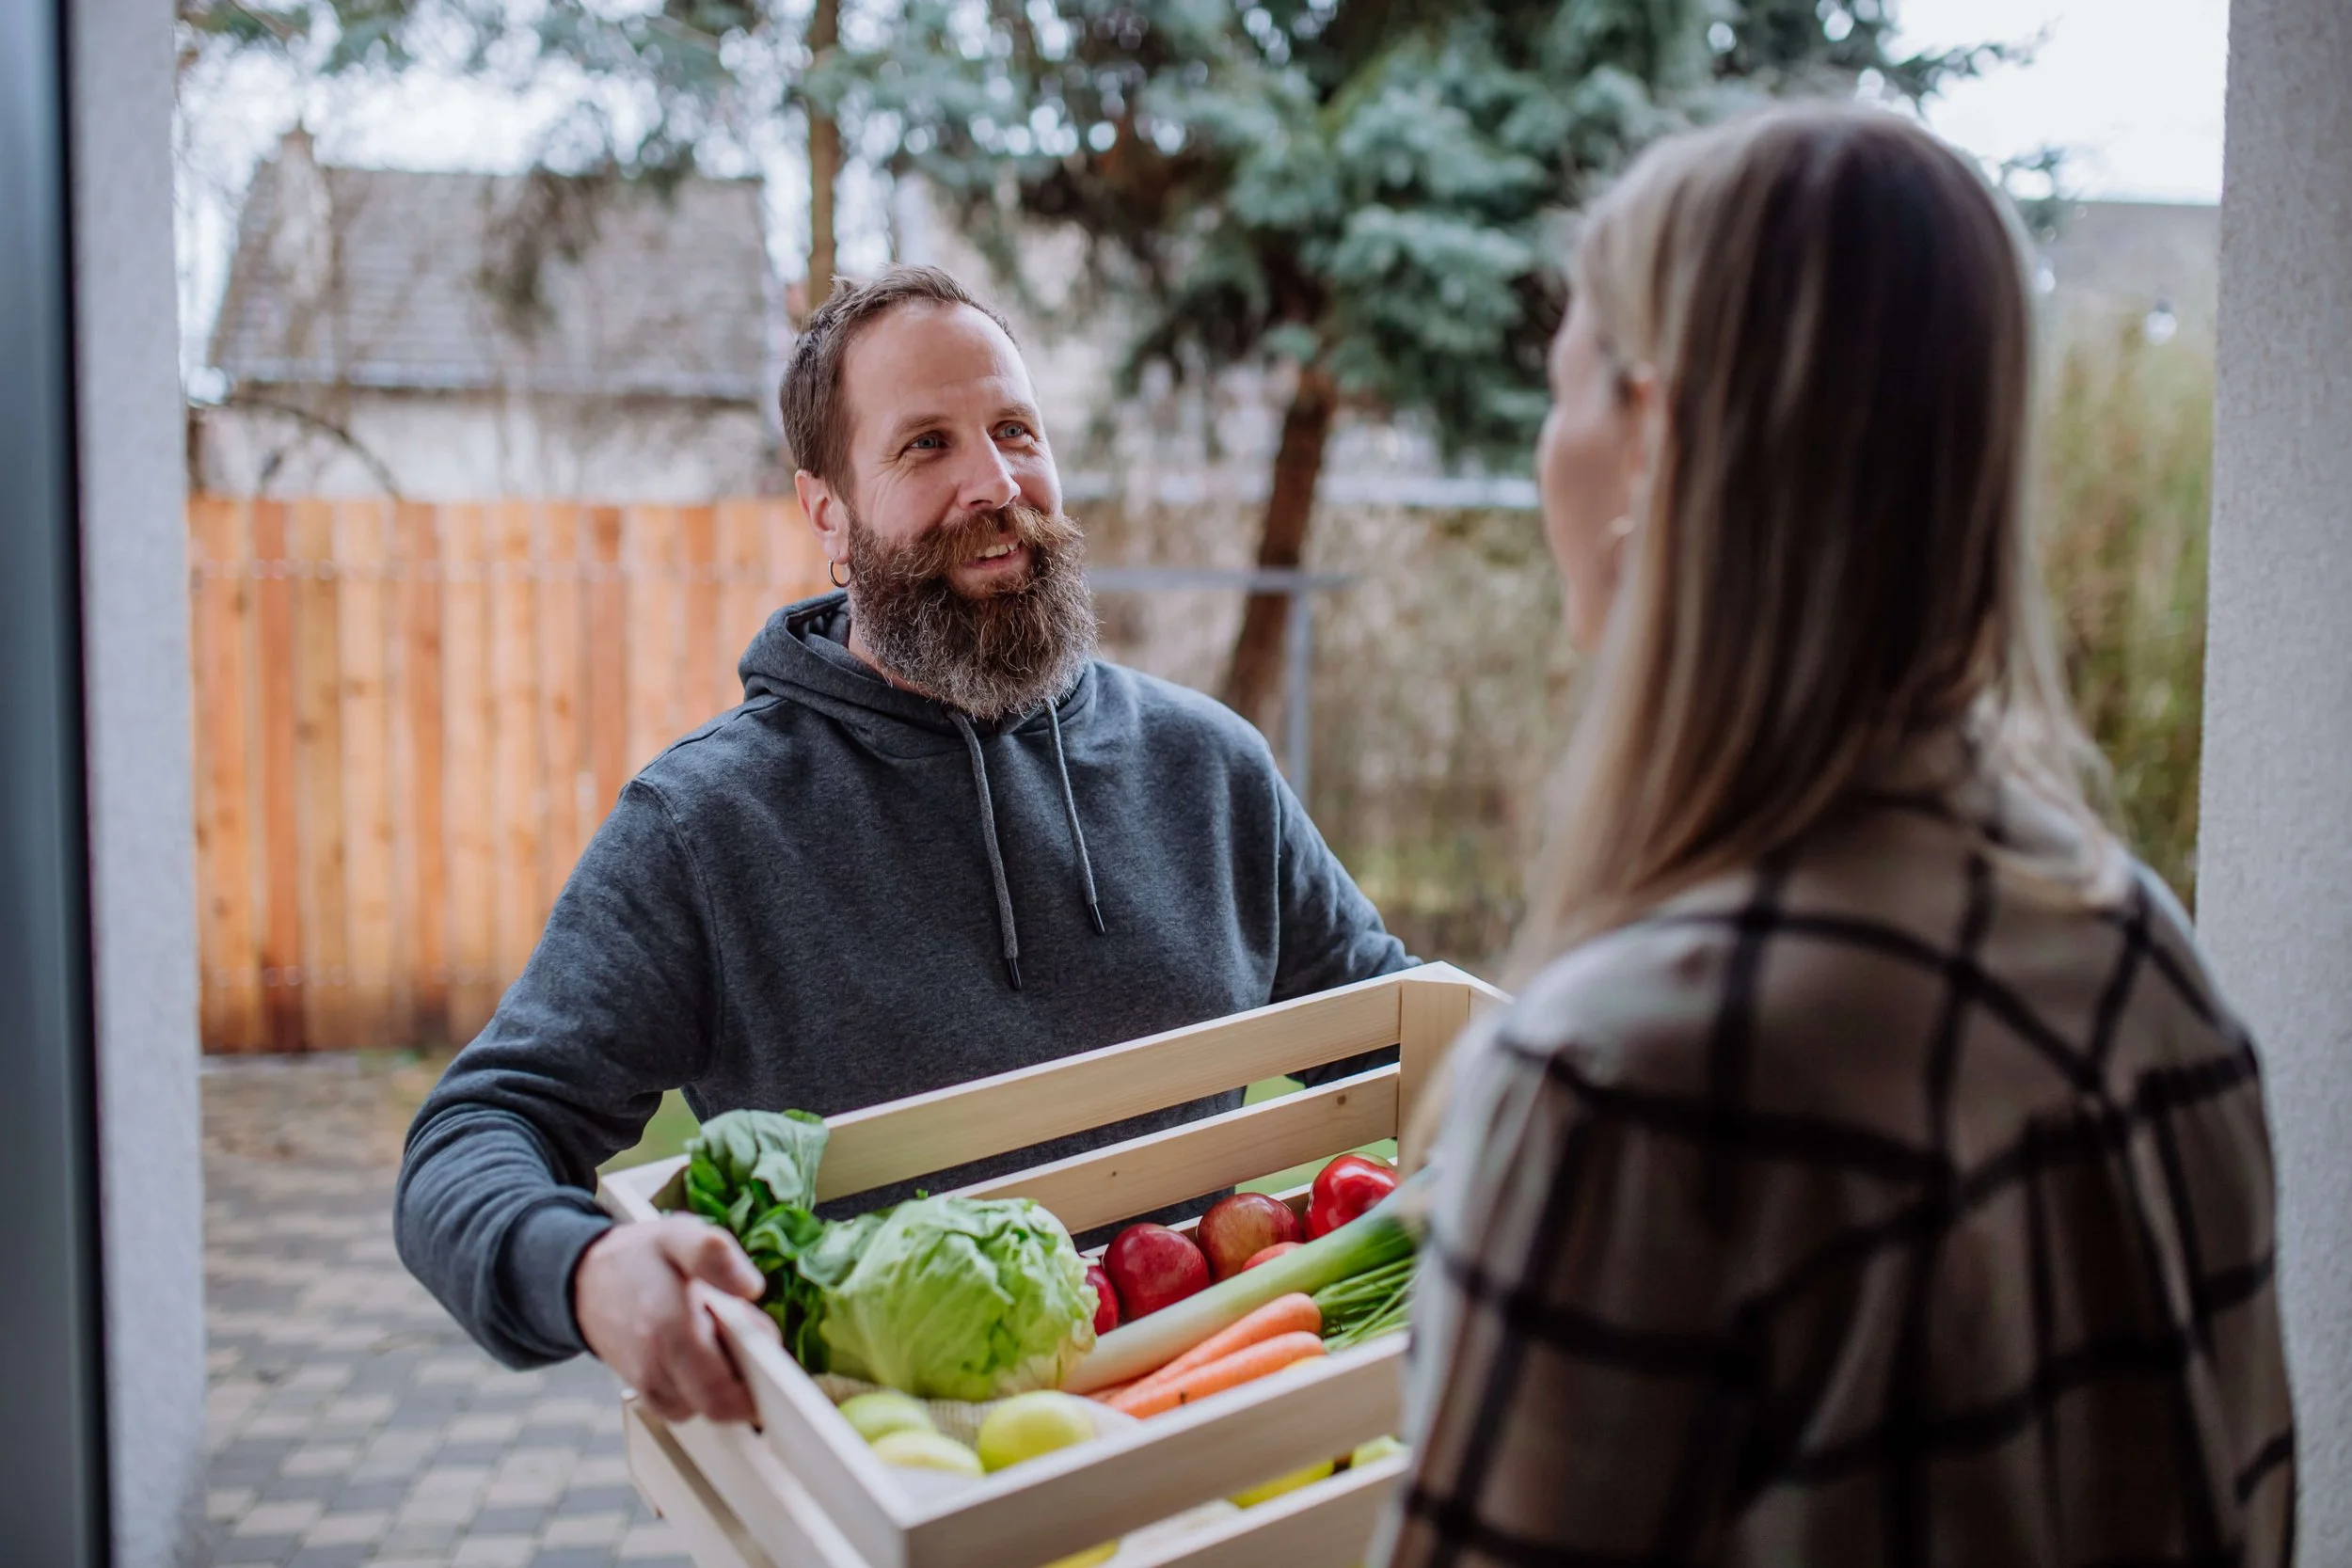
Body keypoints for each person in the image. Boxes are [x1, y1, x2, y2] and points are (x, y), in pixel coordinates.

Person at [1375, 106, 2294, 1567]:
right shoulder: (2142, 955)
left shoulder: (1620, 1085)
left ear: (1657, 442)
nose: (1550, 453)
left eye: (1564, 390)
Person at [395, 264, 1408, 1425]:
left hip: (1203, 1441)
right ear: (826, 509)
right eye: (925, 445)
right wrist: (583, 1269)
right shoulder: (710, 826)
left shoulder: (1207, 767)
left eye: (1015, 430)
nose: (994, 482)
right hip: (884, 1476)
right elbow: (478, 1130)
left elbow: (1400, 1033)